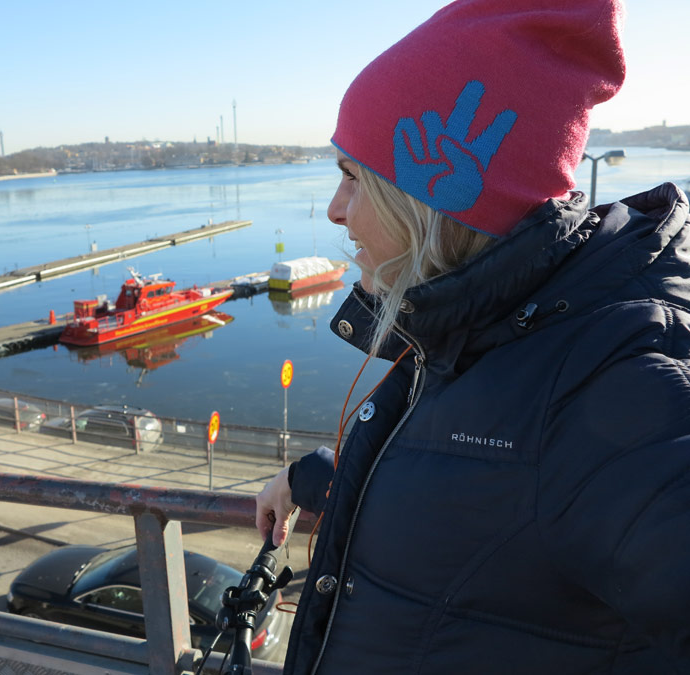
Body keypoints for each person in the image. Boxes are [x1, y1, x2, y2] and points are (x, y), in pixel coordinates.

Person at [255, 0, 690, 672]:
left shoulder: (619, 381)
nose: (336, 210)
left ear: (433, 200)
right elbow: (471, 489)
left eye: (353, 177)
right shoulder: (482, 329)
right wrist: (307, 478)